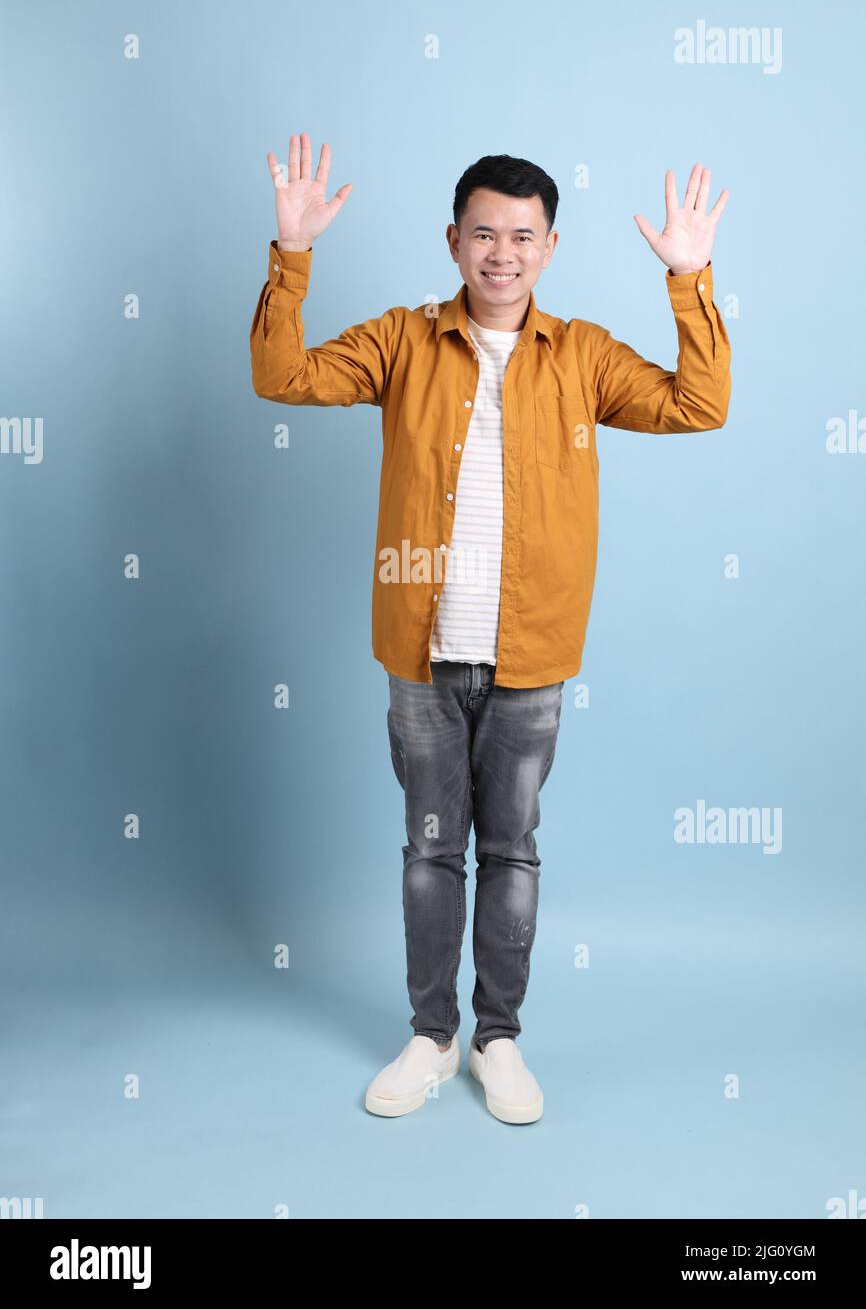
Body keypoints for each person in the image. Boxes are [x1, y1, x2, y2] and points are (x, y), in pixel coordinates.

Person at [249, 133, 731, 1124]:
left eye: (521, 235)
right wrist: (290, 253)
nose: (500, 253)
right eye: (482, 233)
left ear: (548, 246)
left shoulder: (585, 355)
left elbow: (699, 403)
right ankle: (430, 1036)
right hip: (422, 659)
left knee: (509, 850)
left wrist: (687, 280)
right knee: (431, 849)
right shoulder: (400, 339)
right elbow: (281, 376)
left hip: (531, 658)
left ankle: (496, 1040)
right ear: (453, 241)